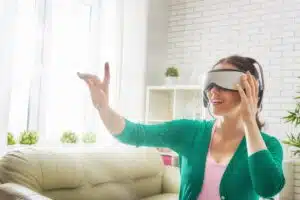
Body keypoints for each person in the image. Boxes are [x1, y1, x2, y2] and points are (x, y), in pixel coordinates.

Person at [77, 55, 285, 200]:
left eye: (224, 83)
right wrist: (102, 107)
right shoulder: (190, 131)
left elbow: (268, 189)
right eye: (211, 84)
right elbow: (134, 133)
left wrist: (249, 121)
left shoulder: (269, 145)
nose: (213, 91)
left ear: (250, 88)